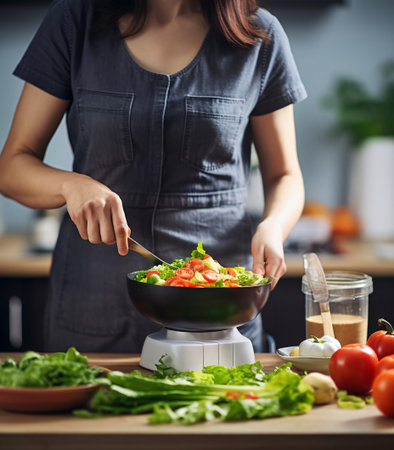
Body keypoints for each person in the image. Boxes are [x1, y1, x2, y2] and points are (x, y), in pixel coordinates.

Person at [0, 0, 306, 353]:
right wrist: (71, 185)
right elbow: (12, 166)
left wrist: (274, 226)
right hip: (93, 304)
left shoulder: (261, 36)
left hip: (218, 309)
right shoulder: (72, 21)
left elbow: (285, 174)